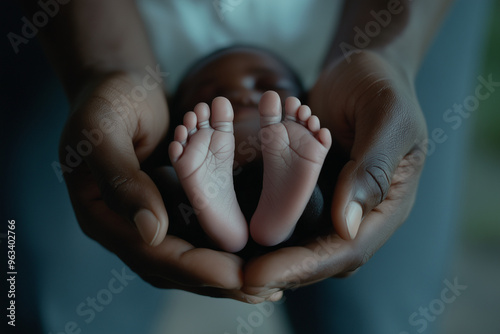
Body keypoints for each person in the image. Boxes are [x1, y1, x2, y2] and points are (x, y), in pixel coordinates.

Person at [16, 0, 492, 333]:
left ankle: (243, 211)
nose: (243, 87)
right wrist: (101, 66)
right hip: (120, 35)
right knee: (32, 300)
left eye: (263, 82)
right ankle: (239, 209)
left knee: (376, 317)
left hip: (352, 35)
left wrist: (389, 54)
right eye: (221, 92)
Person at [160, 45, 331, 251]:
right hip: (196, 199)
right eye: (210, 97)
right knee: (164, 182)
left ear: (307, 100)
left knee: (322, 186)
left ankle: (235, 231)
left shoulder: (303, 146)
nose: (239, 94)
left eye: (271, 86)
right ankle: (228, 227)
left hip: (286, 192)